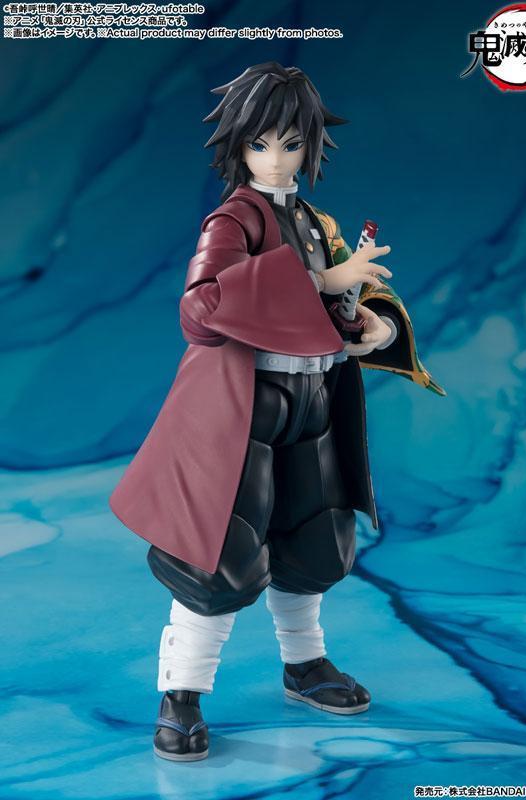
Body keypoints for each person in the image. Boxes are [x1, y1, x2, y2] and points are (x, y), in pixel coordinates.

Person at [109, 62, 444, 762]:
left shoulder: (317, 222)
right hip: (244, 408)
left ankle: (304, 664)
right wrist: (319, 279)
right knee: (218, 554)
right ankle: (180, 694)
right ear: (238, 146)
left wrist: (373, 324)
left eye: (291, 143)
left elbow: (354, 295)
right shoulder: (232, 219)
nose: (277, 158)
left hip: (312, 401)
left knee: (313, 541)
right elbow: (202, 306)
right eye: (261, 143)